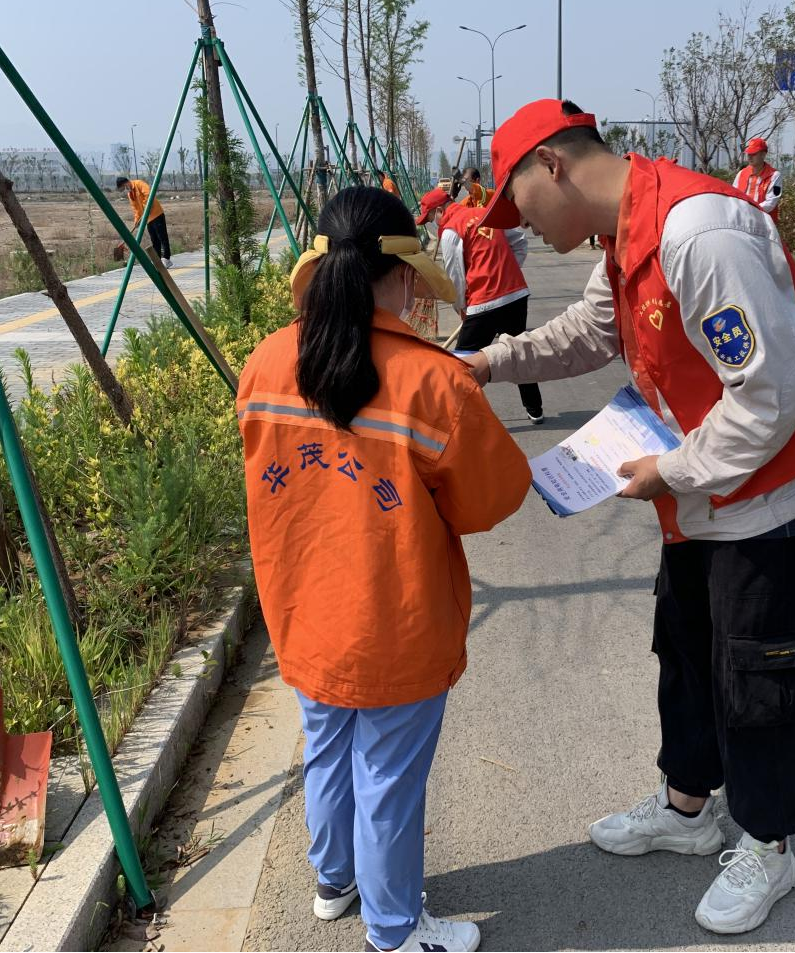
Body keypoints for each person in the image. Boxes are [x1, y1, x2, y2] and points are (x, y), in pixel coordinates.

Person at [465, 99, 795, 935]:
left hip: (772, 501)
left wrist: (667, 470)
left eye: (513, 201)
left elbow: (775, 392)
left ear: (551, 165)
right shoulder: (623, 236)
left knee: (762, 676)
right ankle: (687, 810)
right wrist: (487, 362)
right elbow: (589, 332)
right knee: (687, 651)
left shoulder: (698, 233)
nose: (513, 224)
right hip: (702, 499)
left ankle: (768, 843)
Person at [237, 186, 529, 952]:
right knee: (388, 773)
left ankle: (334, 880)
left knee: (326, 746)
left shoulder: (265, 362)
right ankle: (395, 928)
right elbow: (490, 499)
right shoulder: (432, 381)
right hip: (396, 620)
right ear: (401, 276)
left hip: (302, 610)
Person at [416, 187, 545, 423]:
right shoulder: (485, 212)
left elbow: (455, 276)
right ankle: (535, 409)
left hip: (484, 302)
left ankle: (454, 417)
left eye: (430, 217)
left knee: (463, 364)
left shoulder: (451, 230)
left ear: (439, 211)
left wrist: (461, 307)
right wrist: (507, 271)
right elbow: (520, 242)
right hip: (516, 296)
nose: (432, 223)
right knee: (518, 351)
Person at [115, 176, 172, 268]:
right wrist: (137, 220)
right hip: (147, 218)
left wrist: (146, 207)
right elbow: (136, 209)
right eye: (123, 189)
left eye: (125, 187)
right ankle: (157, 260)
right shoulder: (130, 194)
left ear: (127, 182)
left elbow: (148, 194)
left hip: (156, 214)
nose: (126, 189)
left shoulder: (139, 184)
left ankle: (166, 258)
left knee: (162, 237)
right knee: (154, 240)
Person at [732, 138, 783, 223]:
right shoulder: (741, 174)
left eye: (754, 154)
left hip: (764, 223)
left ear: (763, 154)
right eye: (749, 154)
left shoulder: (775, 176)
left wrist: (749, 210)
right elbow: (733, 195)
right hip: (743, 221)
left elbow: (771, 202)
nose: (750, 157)